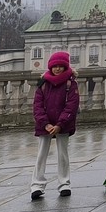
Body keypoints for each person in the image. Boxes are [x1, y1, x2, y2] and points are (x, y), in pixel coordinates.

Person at [31, 51, 79, 200]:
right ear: (50, 67)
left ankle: (64, 183)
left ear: (66, 67)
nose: (57, 69)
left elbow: (72, 106)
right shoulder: (43, 83)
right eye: (55, 66)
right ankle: (37, 185)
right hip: (45, 124)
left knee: (63, 154)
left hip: (62, 124)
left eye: (60, 66)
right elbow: (37, 106)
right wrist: (45, 124)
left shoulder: (71, 84)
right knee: (41, 154)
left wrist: (60, 124)